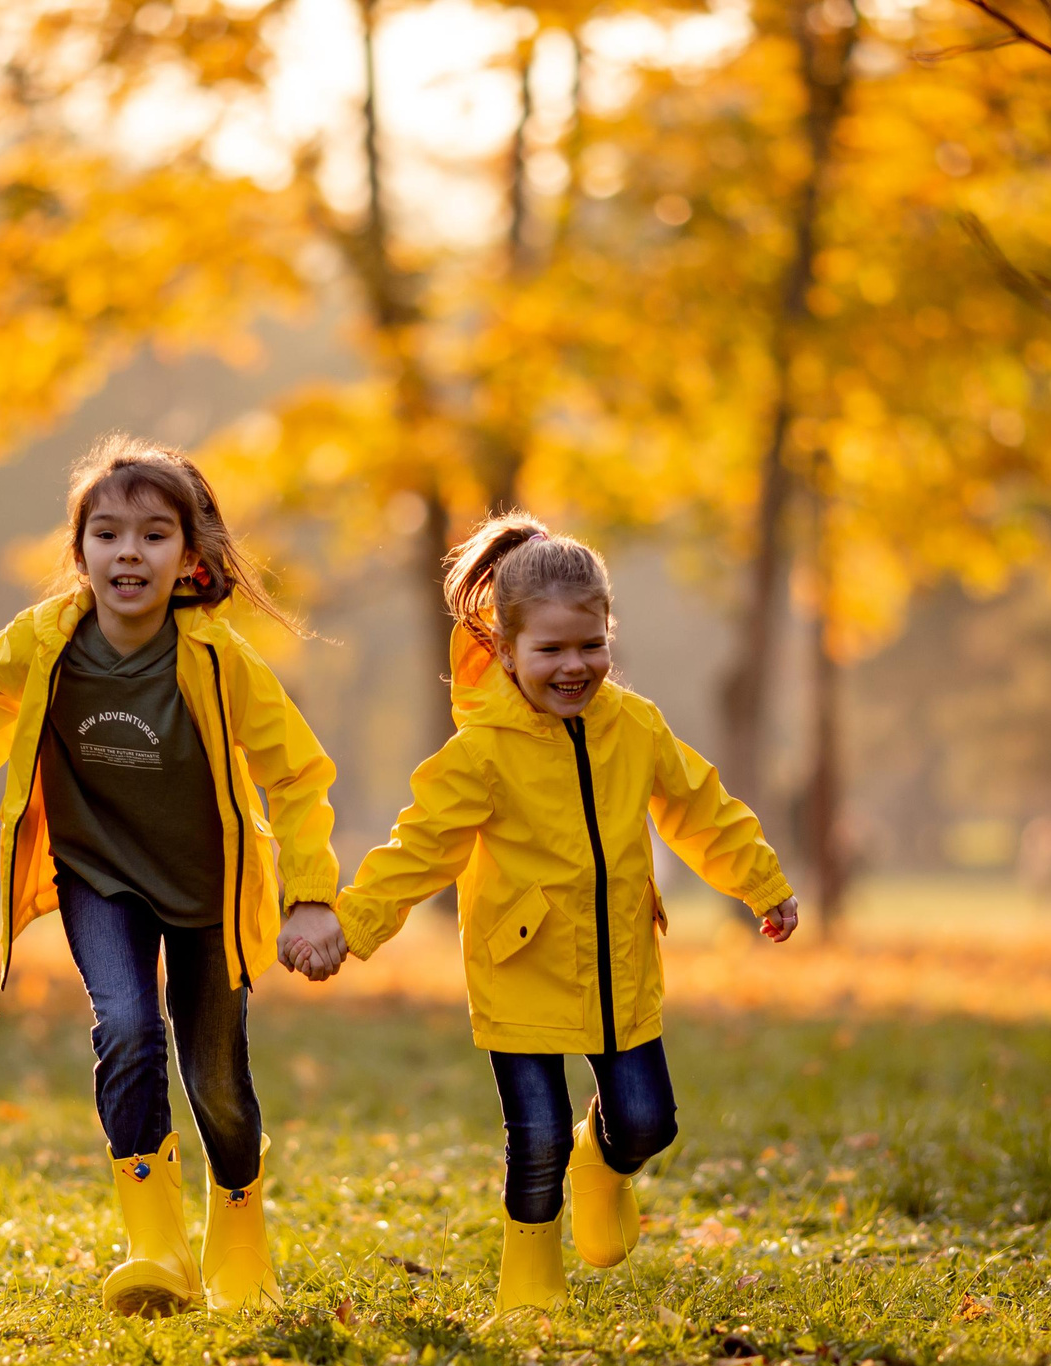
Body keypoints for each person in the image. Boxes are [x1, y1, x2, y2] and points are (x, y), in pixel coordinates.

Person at [320, 515, 797, 1319]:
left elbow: (699, 809)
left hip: (621, 965)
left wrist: (761, 881)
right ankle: (529, 1275)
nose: (574, 666)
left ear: (610, 634)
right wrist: (352, 923)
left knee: (648, 1121)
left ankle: (601, 1164)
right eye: (550, 651)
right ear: (506, 652)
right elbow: (422, 846)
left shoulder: (634, 726)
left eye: (591, 645)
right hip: (521, 969)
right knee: (533, 1132)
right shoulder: (480, 752)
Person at [0, 437, 345, 1318]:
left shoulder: (220, 662)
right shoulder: (45, 644)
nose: (128, 553)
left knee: (217, 1079)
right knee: (126, 1024)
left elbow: (296, 773)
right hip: (96, 872)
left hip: (206, 890)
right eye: (107, 535)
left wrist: (309, 893)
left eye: (153, 535)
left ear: (189, 558)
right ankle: (154, 1242)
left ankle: (238, 1224)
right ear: (79, 556)